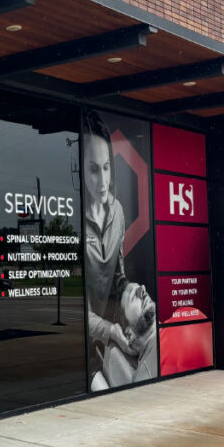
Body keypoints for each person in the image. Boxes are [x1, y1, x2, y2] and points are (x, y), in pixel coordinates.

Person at [82, 112, 134, 389]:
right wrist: (109, 330)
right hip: (79, 343)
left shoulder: (117, 211)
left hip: (108, 335)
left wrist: (133, 301)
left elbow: (118, 276)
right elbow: (77, 310)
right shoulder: (74, 219)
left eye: (106, 167)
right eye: (93, 169)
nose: (102, 180)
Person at [93, 281, 158, 389]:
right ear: (129, 335)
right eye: (132, 298)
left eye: (139, 286)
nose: (142, 288)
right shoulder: (148, 368)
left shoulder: (179, 318)